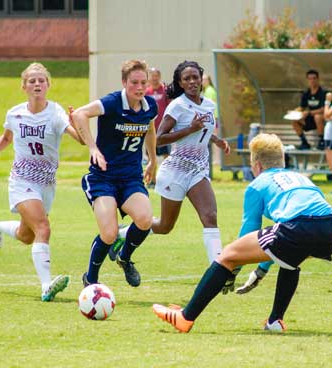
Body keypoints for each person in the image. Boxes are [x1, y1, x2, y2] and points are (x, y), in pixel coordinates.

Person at [152, 133, 332, 333]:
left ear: (257, 165)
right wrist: (261, 270)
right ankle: (275, 321)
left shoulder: (258, 184)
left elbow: (249, 231)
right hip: (330, 230)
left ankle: (184, 317)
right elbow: (279, 242)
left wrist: (233, 269)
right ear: (282, 161)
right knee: (291, 258)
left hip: (299, 227)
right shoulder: (300, 178)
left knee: (226, 256)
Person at [109, 61, 230, 286]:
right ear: (180, 83)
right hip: (175, 171)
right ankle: (123, 235)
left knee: (210, 217)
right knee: (165, 226)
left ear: (201, 78)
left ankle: (219, 272)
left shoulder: (210, 104)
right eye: (187, 79)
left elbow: (202, 131)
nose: (192, 82)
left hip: (198, 171)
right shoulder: (177, 106)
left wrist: (216, 140)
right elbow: (158, 139)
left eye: (195, 77)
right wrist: (188, 130)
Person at [0, 62, 83, 302]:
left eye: (41, 80)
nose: (37, 84)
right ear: (24, 86)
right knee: (43, 228)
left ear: (48, 85)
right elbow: (6, 138)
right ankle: (46, 286)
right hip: (22, 180)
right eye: (32, 81)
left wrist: (77, 123)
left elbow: (80, 139)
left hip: (47, 183)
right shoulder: (14, 113)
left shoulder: (56, 113)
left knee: (27, 236)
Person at [71, 59, 157, 288]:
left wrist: (153, 160)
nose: (139, 88)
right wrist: (92, 147)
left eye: (143, 83)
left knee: (145, 219)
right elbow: (79, 114)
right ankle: (91, 278)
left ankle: (125, 258)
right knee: (109, 234)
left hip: (130, 178)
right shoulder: (111, 103)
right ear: (124, 82)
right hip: (103, 178)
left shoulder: (149, 105)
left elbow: (149, 127)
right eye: (133, 83)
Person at [292, 69, 326, 150]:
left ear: (318, 79)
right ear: (307, 80)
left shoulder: (323, 92)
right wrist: (295, 111)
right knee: (295, 120)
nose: (312, 81)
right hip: (310, 118)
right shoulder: (306, 93)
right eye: (310, 79)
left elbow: (324, 109)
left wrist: (309, 112)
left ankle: (322, 141)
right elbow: (302, 107)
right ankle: (304, 142)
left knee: (317, 116)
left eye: (314, 78)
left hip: (322, 120)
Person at [146, 67, 170, 160]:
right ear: (149, 77)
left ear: (159, 77)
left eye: (156, 76)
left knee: (166, 155)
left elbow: (170, 107)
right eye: (152, 76)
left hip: (163, 129)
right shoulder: (146, 92)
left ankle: (166, 175)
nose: (154, 78)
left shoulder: (165, 90)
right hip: (150, 128)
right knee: (150, 156)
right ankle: (151, 174)